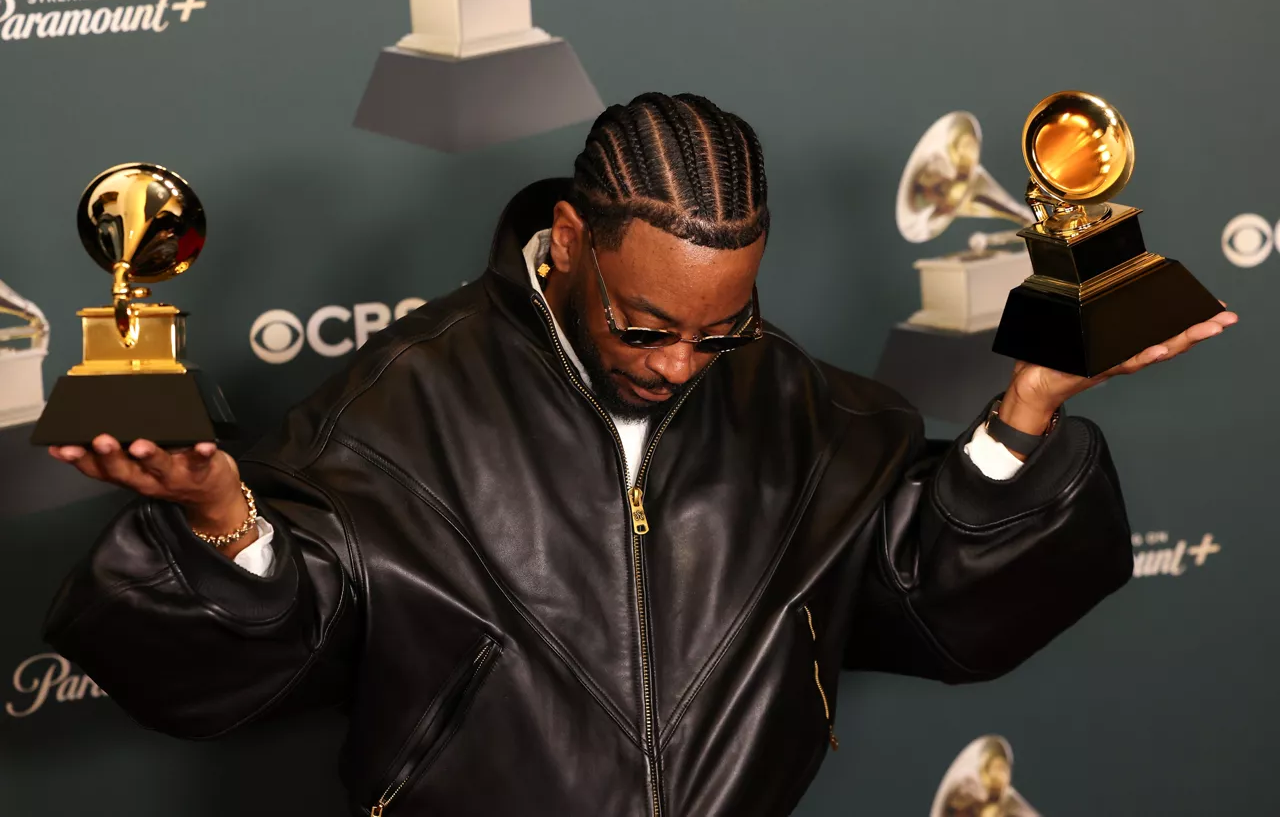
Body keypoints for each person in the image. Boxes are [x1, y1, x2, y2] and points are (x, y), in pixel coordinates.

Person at [44, 93, 1236, 817]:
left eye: (718, 332)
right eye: (643, 326)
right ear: (567, 242)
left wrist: (1027, 406)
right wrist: (217, 516)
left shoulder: (801, 406)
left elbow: (921, 587)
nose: (676, 363)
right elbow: (286, 634)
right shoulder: (395, 403)